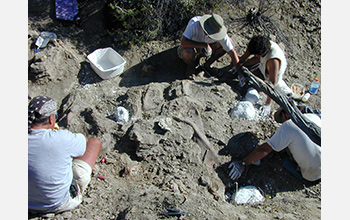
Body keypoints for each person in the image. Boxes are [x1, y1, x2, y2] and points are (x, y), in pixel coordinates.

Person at [28, 96, 102, 213]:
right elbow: (84, 142)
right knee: (94, 143)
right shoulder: (61, 138)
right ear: (51, 119)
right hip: (58, 203)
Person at [227, 106, 321, 182]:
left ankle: (300, 171)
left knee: (284, 151)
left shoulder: (289, 125)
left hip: (311, 176)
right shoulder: (313, 116)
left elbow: (264, 149)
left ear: (284, 116)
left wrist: (243, 163)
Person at [239, 35, 293, 116]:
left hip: (270, 74)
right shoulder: (261, 45)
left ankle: (287, 92)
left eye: (256, 55)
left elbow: (272, 83)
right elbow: (254, 58)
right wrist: (243, 64)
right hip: (262, 66)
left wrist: (268, 104)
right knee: (245, 72)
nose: (256, 55)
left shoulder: (273, 60)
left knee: (251, 83)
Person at [178, 14, 240, 78]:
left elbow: (232, 51)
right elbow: (183, 42)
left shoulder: (218, 30)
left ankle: (208, 65)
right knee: (188, 52)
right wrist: (204, 45)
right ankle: (191, 67)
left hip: (209, 46)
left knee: (230, 42)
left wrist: (240, 72)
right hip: (193, 44)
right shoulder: (194, 23)